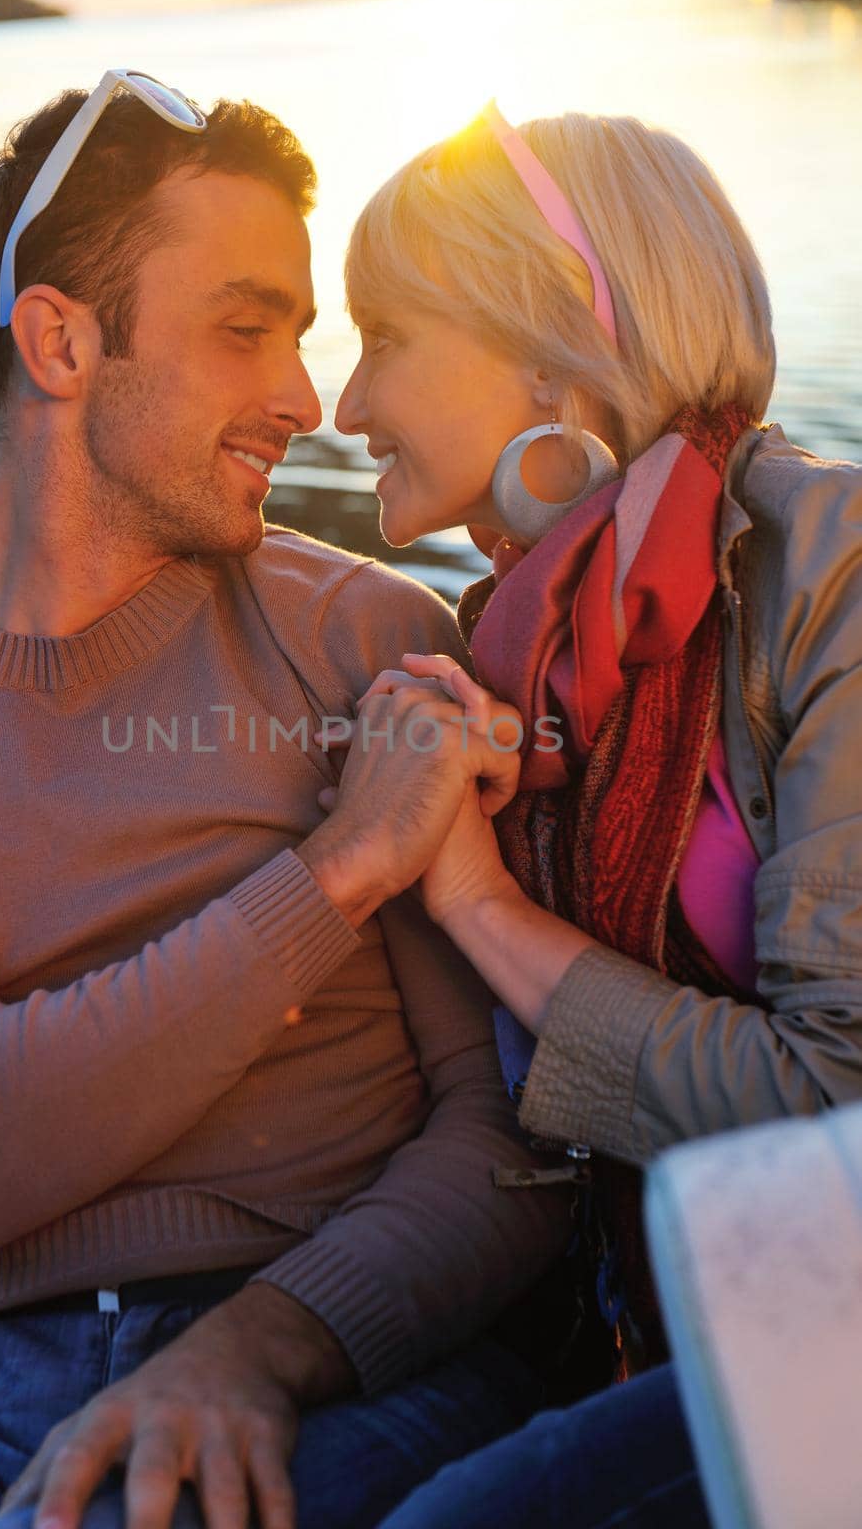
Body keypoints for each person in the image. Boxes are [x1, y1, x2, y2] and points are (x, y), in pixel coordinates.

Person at [0, 75, 574, 1529]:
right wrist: (339, 866)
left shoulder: (365, 636)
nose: (303, 398)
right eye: (245, 329)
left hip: (332, 1348)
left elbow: (510, 1135)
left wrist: (258, 1353)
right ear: (61, 339)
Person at [316, 101, 862, 1527]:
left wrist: (480, 904)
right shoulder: (509, 643)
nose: (341, 405)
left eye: (383, 335)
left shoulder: (830, 576)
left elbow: (837, 1112)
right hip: (639, 1306)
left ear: (552, 333)